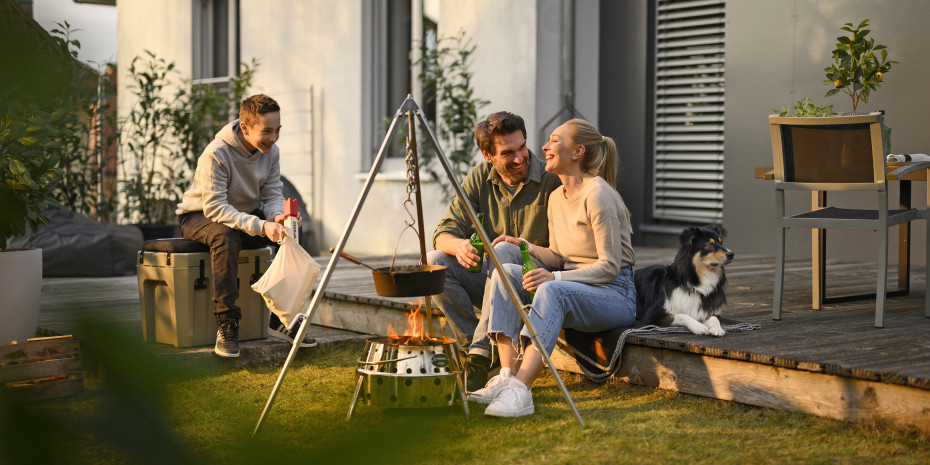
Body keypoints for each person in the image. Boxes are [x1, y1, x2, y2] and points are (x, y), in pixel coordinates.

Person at [469, 119, 636, 417]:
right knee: (505, 271)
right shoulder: (557, 197)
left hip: (614, 294)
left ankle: (521, 391)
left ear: (577, 152)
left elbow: (610, 267)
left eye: (555, 141)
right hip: (576, 286)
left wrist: (555, 277)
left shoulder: (598, 194)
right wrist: (525, 246)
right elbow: (559, 256)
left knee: (551, 288)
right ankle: (506, 376)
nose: (543, 147)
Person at [427, 111, 561, 391]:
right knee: (434, 264)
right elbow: (442, 234)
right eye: (508, 152)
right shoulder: (479, 179)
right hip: (494, 290)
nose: (519, 157)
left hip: (538, 289)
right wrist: (460, 246)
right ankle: (477, 353)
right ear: (487, 155)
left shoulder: (551, 179)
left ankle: (479, 353)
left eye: (522, 147)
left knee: (503, 249)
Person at [176, 94, 316, 358]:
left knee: (291, 233)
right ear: (245, 127)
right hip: (198, 216)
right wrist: (262, 226)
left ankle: (282, 319)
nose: (273, 138)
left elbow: (273, 194)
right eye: (266, 131)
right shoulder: (217, 153)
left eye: (277, 131)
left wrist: (278, 218)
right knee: (226, 236)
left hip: (242, 215)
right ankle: (226, 324)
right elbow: (215, 208)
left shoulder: (271, 152)